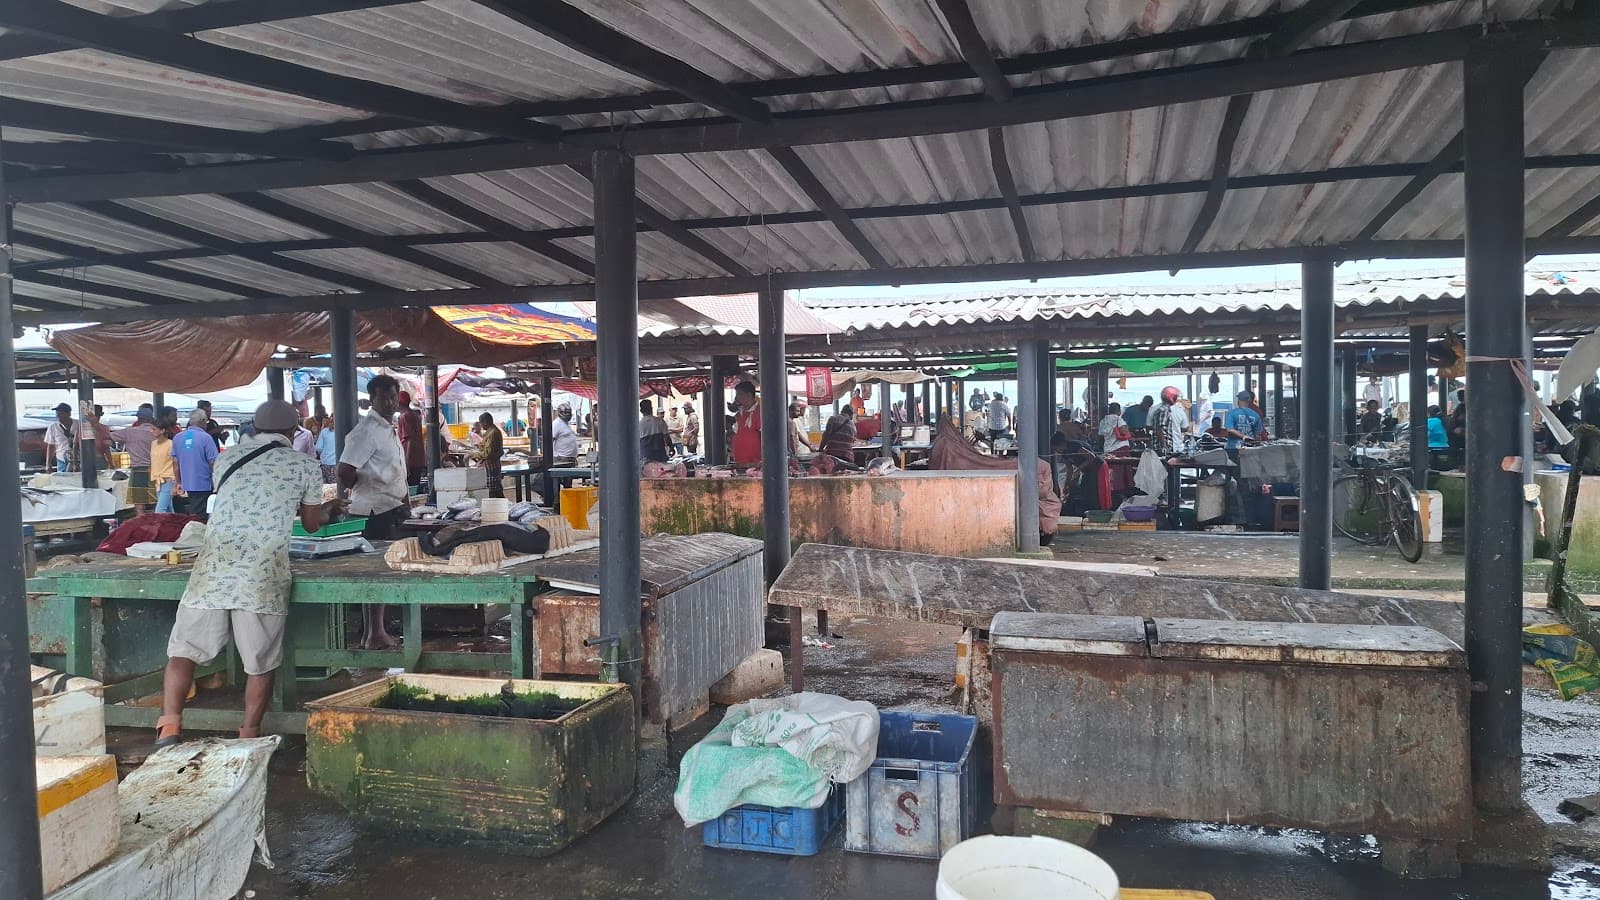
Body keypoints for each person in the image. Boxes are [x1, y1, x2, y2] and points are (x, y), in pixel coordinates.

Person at [154, 400, 342, 748]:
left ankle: (169, 727)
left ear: (254, 427)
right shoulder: (304, 465)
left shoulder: (227, 458)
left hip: (214, 565)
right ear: (293, 431)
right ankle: (248, 735)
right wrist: (330, 507)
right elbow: (313, 525)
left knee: (184, 651)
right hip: (261, 571)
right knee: (260, 663)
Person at [338, 374, 407, 651]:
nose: (390, 402)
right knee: (377, 572)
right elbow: (345, 470)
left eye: (393, 396)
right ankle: (374, 633)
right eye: (384, 397)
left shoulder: (388, 428)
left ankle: (374, 632)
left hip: (391, 505)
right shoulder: (366, 431)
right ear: (372, 399)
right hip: (373, 510)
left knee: (380, 572)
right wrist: (365, 489)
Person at [110, 405, 162, 514]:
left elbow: (109, 436)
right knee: (156, 503)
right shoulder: (159, 434)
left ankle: (140, 523)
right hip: (156, 471)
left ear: (139, 419)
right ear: (150, 419)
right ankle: (156, 525)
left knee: (139, 504)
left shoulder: (129, 432)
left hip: (138, 470)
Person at [173, 408, 220, 517]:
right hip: (203, 482)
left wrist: (178, 482)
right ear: (202, 421)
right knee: (202, 514)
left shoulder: (178, 437)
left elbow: (175, 463)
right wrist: (217, 480)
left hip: (187, 482)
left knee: (194, 509)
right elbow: (213, 462)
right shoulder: (205, 438)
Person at [394, 391, 427, 489]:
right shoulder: (414, 416)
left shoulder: (405, 417)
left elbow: (409, 441)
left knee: (409, 489)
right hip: (418, 460)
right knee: (414, 488)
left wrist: (406, 463)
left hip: (411, 461)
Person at [151, 408, 179, 513]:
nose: (151, 431)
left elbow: (175, 463)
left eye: (154, 429)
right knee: (168, 509)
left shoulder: (170, 444)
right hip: (158, 481)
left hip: (168, 480)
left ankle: (160, 528)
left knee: (160, 510)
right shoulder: (153, 443)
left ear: (162, 431)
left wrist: (176, 483)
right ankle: (175, 528)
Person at [472, 413, 505, 498]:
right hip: (490, 465)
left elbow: (488, 453)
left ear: (485, 422)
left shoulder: (493, 432)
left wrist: (473, 454)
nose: (481, 426)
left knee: (494, 490)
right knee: (494, 489)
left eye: (481, 423)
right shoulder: (490, 431)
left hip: (492, 465)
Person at [1149, 386, 1189, 456]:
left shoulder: (1162, 409)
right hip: (1163, 448)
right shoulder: (1164, 410)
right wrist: (1164, 447)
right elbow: (1159, 429)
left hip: (1168, 447)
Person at [1224, 390, 1265, 457]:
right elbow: (1258, 435)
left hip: (1233, 448)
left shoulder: (1232, 413)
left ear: (1239, 401)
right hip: (1250, 449)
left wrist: (1243, 436)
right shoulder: (1256, 415)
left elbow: (1230, 429)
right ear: (1248, 402)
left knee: (1234, 466)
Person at [730, 382, 762, 467]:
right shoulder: (739, 413)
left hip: (755, 464)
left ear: (748, 395)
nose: (736, 398)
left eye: (739, 394)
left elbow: (767, 438)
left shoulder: (760, 412)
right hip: (740, 464)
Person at [72, 405, 114, 469]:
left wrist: (75, 463)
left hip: (85, 460)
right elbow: (106, 448)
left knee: (86, 478)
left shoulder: (81, 428)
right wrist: (111, 463)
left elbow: (75, 446)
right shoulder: (104, 428)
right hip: (97, 459)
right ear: (101, 414)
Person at [44, 403, 74, 473]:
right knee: (62, 482)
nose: (58, 416)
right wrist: (48, 464)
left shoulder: (78, 425)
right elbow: (50, 446)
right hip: (61, 461)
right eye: (57, 414)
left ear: (69, 414)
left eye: (61, 414)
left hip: (78, 461)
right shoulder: (53, 427)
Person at [314, 415, 338, 483]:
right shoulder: (344, 431)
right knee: (334, 489)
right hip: (336, 465)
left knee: (324, 487)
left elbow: (318, 448)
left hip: (324, 464)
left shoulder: (324, 431)